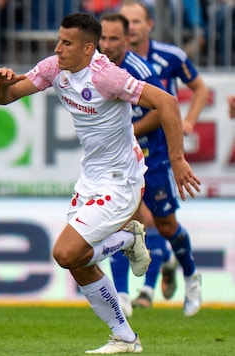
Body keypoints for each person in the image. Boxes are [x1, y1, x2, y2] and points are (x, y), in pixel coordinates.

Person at [0, 13, 200, 353]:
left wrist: (177, 160)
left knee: (65, 252)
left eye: (67, 43)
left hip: (122, 180)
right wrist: (2, 82)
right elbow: (4, 98)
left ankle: (128, 239)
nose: (58, 48)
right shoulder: (54, 68)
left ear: (89, 48)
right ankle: (126, 337)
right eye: (59, 40)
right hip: (91, 177)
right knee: (77, 262)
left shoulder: (107, 77)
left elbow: (167, 102)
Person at [120, 0, 207, 316]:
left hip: (157, 149)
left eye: (136, 21)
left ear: (149, 25)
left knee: (165, 223)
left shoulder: (169, 57)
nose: (130, 28)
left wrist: (189, 121)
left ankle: (190, 274)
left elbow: (199, 88)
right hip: (124, 154)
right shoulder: (111, 63)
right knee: (128, 218)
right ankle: (125, 294)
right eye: (125, 22)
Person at [99, 12, 176, 319]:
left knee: (156, 223)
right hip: (111, 159)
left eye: (113, 38)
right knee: (121, 220)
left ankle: (152, 281)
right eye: (101, 38)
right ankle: (123, 294)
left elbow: (165, 104)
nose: (106, 44)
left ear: (127, 38)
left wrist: (131, 131)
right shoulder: (89, 67)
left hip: (147, 155)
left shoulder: (139, 68)